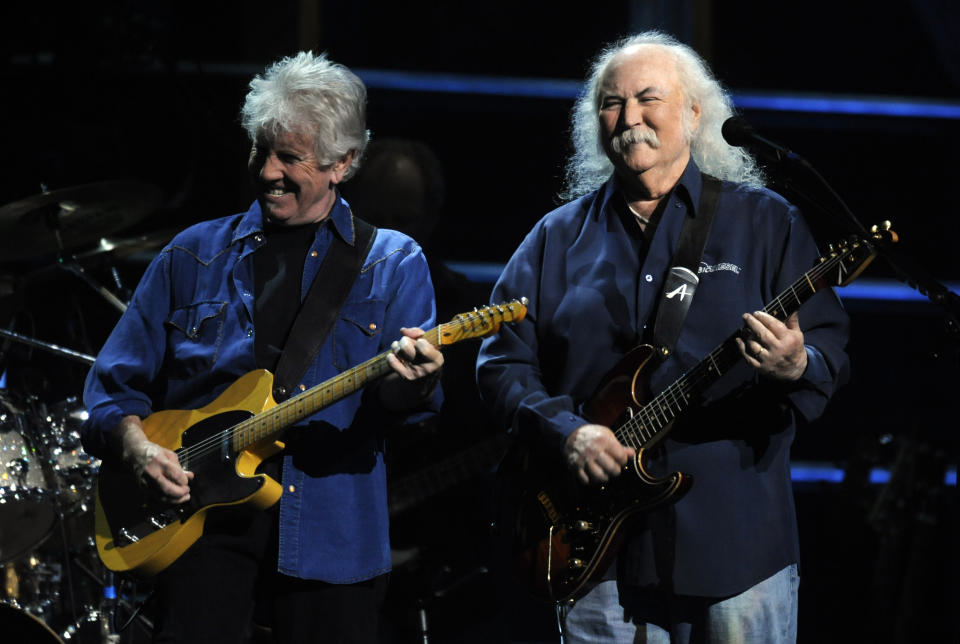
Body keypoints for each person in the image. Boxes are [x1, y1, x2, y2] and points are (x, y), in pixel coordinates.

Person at [476, 31, 850, 643]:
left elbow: (830, 351)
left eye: (648, 98)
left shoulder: (765, 223)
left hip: (737, 549)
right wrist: (568, 433)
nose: (629, 118)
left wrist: (796, 363)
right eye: (610, 103)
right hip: (596, 554)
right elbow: (500, 365)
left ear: (694, 112)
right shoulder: (555, 237)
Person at [81, 51, 444, 643]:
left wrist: (417, 381)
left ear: (343, 163)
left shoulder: (393, 262)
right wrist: (139, 452)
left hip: (331, 539)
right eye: (260, 150)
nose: (268, 171)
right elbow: (110, 388)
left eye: (290, 157)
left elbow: (404, 411)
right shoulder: (192, 254)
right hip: (198, 535)